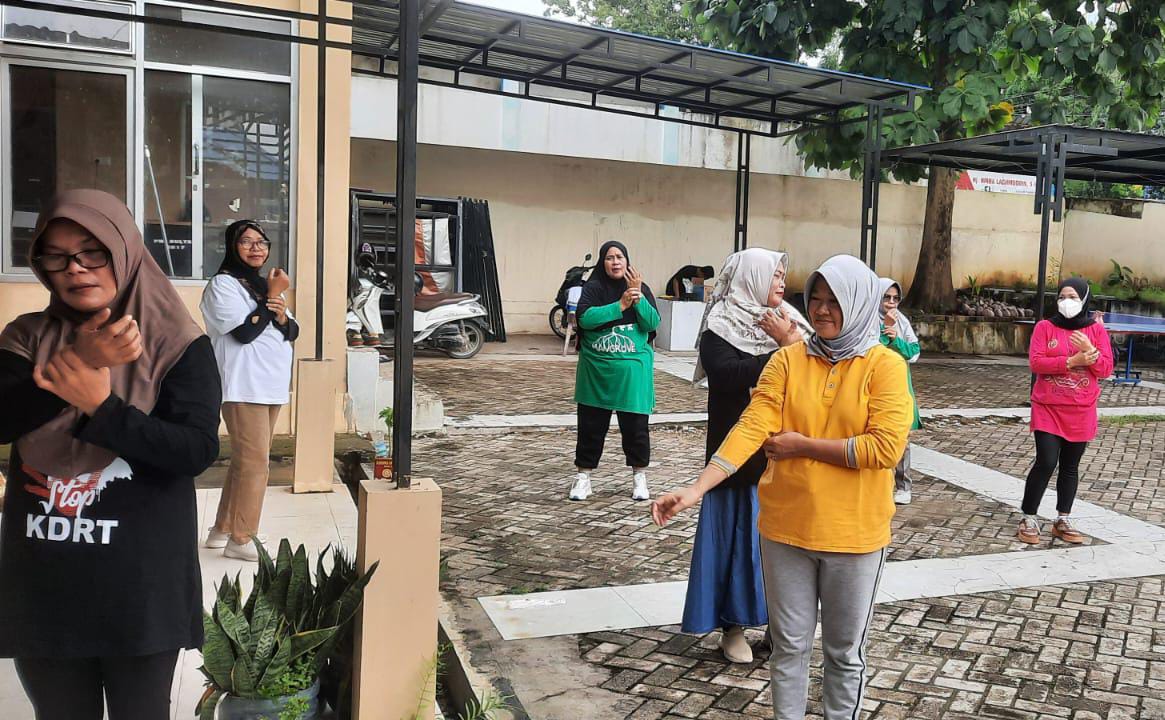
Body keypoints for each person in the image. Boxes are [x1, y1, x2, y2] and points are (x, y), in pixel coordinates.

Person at [653, 255, 912, 720]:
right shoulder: (788, 360)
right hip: (784, 531)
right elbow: (752, 425)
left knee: (843, 654)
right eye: (815, 299)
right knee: (789, 649)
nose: (821, 310)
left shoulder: (884, 366)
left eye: (835, 301)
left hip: (854, 536)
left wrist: (803, 446)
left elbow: (884, 449)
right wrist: (697, 488)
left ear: (858, 303)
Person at [0, 189, 220, 719]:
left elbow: (194, 450)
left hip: (141, 585)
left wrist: (102, 407)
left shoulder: (178, 344)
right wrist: (78, 360)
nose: (75, 268)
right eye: (56, 256)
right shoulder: (25, 336)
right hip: (45, 582)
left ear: (123, 250)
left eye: (91, 251)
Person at [685, 248, 812, 664]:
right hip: (738, 460)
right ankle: (733, 626)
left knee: (785, 550)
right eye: (774, 274)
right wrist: (782, 350)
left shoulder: (791, 322)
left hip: (787, 455)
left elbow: (814, 371)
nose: (781, 282)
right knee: (737, 544)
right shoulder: (721, 325)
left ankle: (779, 627)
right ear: (751, 277)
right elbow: (725, 376)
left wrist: (789, 342)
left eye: (782, 274)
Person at [200, 219, 299, 562]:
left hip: (270, 385)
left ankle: (223, 529)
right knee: (256, 464)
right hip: (244, 385)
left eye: (262, 242)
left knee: (246, 462)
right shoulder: (223, 285)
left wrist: (279, 311)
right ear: (232, 246)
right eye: (246, 242)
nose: (256, 248)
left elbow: (291, 329)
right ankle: (243, 538)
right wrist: (272, 298)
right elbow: (243, 333)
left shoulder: (262, 286)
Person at [1018, 277, 1113, 545]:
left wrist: (1090, 350)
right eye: (1061, 297)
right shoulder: (1045, 327)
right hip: (1047, 407)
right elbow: (1037, 363)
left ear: (1084, 299)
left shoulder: (1095, 331)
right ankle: (1028, 517)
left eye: (1072, 297)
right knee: (1046, 461)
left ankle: (1063, 519)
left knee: (1070, 466)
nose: (1066, 302)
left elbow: (1105, 369)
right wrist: (1072, 361)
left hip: (1081, 409)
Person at [571, 240, 660, 502]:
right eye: (610, 257)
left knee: (636, 428)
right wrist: (620, 305)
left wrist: (638, 298)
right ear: (603, 262)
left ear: (627, 261)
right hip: (596, 372)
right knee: (590, 427)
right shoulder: (593, 288)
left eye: (620, 257)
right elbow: (585, 319)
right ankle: (583, 477)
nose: (615, 262)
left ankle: (639, 476)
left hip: (632, 373)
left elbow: (652, 323)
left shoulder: (641, 288)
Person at [878, 278, 922, 505]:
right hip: (876, 383)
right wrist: (885, 330)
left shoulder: (902, 322)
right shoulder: (866, 319)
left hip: (900, 383)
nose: (891, 302)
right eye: (886, 297)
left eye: (896, 298)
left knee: (902, 437)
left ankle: (904, 486)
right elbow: (870, 347)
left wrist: (896, 340)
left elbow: (914, 352)